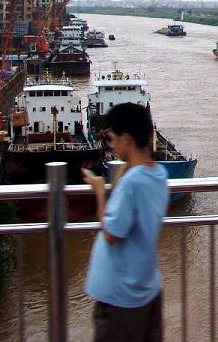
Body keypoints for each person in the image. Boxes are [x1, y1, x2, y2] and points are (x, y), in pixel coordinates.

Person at [82, 102, 169, 342]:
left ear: (127, 139)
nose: (111, 144)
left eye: (112, 138)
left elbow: (111, 233)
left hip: (121, 298)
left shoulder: (131, 184)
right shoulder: (158, 175)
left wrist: (99, 191)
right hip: (147, 288)